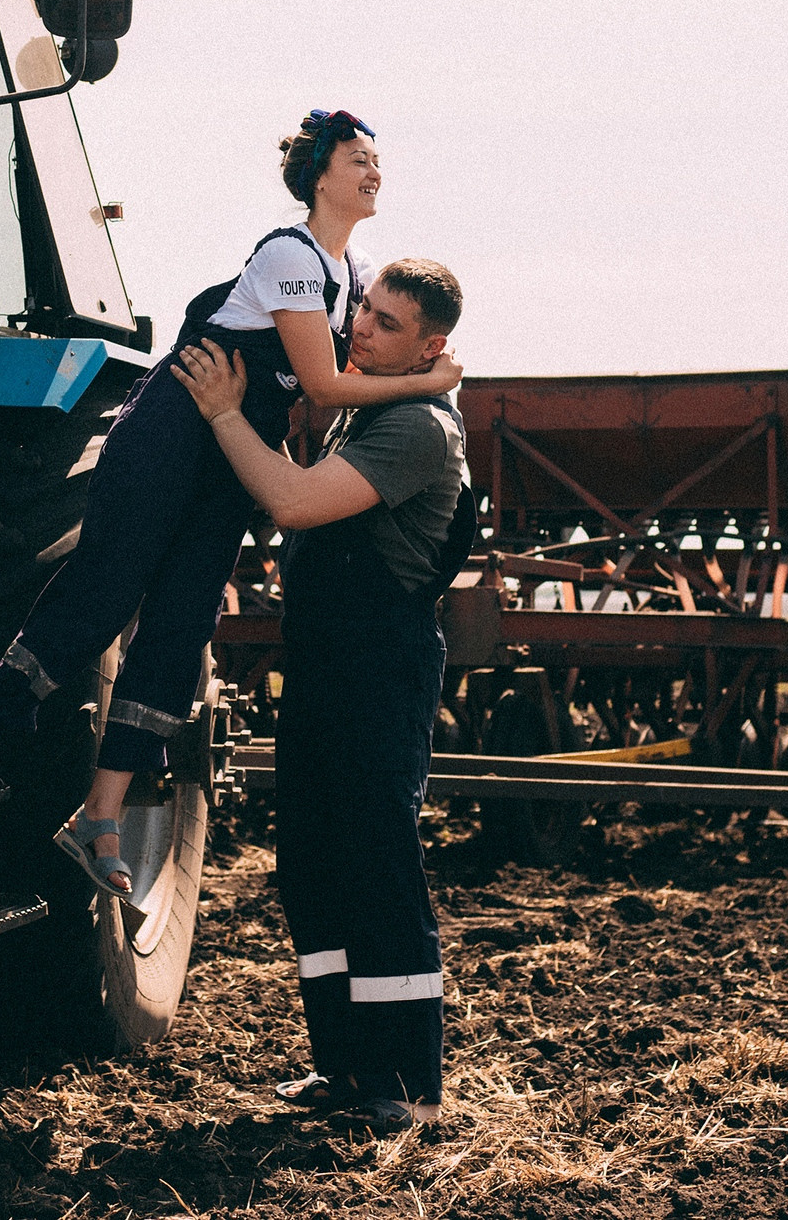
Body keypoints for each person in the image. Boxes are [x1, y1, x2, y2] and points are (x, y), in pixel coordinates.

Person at [0, 111, 464, 898]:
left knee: (184, 626)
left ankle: (100, 814)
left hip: (228, 453)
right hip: (175, 428)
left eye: (378, 161)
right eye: (359, 159)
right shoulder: (290, 253)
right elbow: (324, 386)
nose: (373, 171)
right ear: (320, 175)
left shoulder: (347, 277)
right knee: (108, 592)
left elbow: (310, 402)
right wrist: (426, 382)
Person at [170, 258, 473, 1132]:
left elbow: (296, 504)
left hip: (382, 668)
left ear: (432, 345)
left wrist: (225, 413)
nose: (361, 329)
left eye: (385, 323)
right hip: (326, 667)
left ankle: (407, 1085)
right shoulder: (358, 411)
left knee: (376, 865)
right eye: (363, 311)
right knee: (312, 864)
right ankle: (343, 1067)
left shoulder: (418, 425)